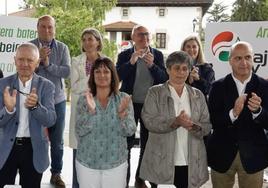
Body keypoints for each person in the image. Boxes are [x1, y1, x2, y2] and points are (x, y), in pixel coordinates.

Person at [139, 51, 211, 188]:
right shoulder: (155, 92)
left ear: (190, 70)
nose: (181, 72)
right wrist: (175, 121)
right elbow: (149, 122)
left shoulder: (198, 95)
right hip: (161, 162)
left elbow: (207, 127)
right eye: (176, 68)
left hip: (191, 162)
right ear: (168, 70)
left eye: (185, 68)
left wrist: (193, 126)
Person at [207, 41, 268, 188]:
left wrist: (258, 112)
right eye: (238, 58)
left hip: (254, 156)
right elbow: (211, 121)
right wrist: (233, 113)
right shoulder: (217, 86)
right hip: (221, 154)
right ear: (230, 61)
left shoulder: (265, 86)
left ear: (253, 59)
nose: (244, 62)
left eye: (247, 57)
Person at [116, 24, 168, 188]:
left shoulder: (157, 54)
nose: (143, 37)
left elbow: (164, 79)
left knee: (149, 145)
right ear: (133, 38)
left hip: (151, 106)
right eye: (139, 34)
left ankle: (141, 177)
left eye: (146, 34)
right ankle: (124, 181)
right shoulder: (125, 54)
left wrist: (153, 65)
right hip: (129, 104)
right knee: (127, 144)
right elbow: (117, 76)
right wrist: (131, 63)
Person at [0, 43, 56, 188]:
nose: (25, 64)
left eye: (30, 60)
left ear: (37, 63)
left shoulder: (47, 86)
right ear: (14, 60)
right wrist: (8, 109)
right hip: (6, 149)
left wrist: (36, 106)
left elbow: (51, 120)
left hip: (34, 149)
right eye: (21, 59)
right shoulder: (2, 85)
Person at [75, 57, 136, 188]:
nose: (102, 75)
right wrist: (91, 112)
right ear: (93, 75)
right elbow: (79, 130)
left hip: (116, 165)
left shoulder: (124, 98)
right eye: (97, 71)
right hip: (87, 164)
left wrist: (121, 115)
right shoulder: (84, 99)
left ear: (112, 75)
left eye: (106, 71)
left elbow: (130, 130)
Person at [30, 15, 71, 187]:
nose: (47, 30)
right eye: (43, 26)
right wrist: (37, 61)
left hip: (57, 101)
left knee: (57, 141)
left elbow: (67, 71)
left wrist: (47, 64)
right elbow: (24, 70)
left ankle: (56, 173)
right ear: (37, 28)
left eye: (50, 27)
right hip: (34, 100)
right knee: (34, 138)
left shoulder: (62, 48)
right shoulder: (29, 47)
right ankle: (32, 171)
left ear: (55, 29)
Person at [69, 28, 103, 188]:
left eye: (90, 39)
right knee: (79, 153)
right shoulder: (75, 61)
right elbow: (74, 87)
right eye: (84, 39)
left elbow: (111, 84)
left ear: (98, 41)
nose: (87, 42)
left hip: (101, 109)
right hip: (80, 110)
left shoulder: (106, 60)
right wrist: (96, 80)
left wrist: (88, 80)